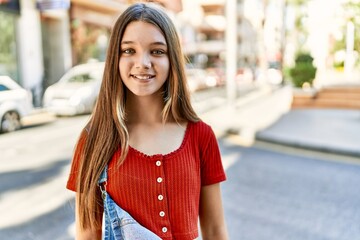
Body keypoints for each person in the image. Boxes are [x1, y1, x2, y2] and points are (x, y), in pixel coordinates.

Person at [66, 2, 228, 240]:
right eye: (129, 50)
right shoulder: (94, 138)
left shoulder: (200, 135)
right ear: (115, 59)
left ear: (172, 58)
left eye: (157, 51)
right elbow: (88, 234)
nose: (143, 62)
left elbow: (215, 230)